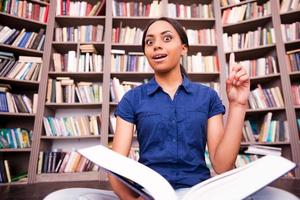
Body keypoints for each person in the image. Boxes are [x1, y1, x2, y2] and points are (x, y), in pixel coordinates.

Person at [109, 17, 250, 200]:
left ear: (183, 48)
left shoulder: (207, 97)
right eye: (149, 42)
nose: (156, 46)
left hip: (198, 193)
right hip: (150, 194)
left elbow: (222, 166)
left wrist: (238, 105)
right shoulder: (132, 99)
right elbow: (115, 166)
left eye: (166, 39)